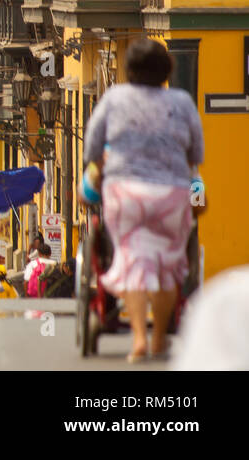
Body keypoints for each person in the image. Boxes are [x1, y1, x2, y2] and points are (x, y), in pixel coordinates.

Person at [83, 38, 203, 363]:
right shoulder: (181, 102)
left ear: (129, 69)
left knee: (133, 258)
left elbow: (92, 146)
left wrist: (96, 168)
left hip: (126, 192)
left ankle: (138, 339)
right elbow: (197, 153)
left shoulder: (114, 98)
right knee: (165, 266)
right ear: (167, 70)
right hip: (170, 194)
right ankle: (159, 339)